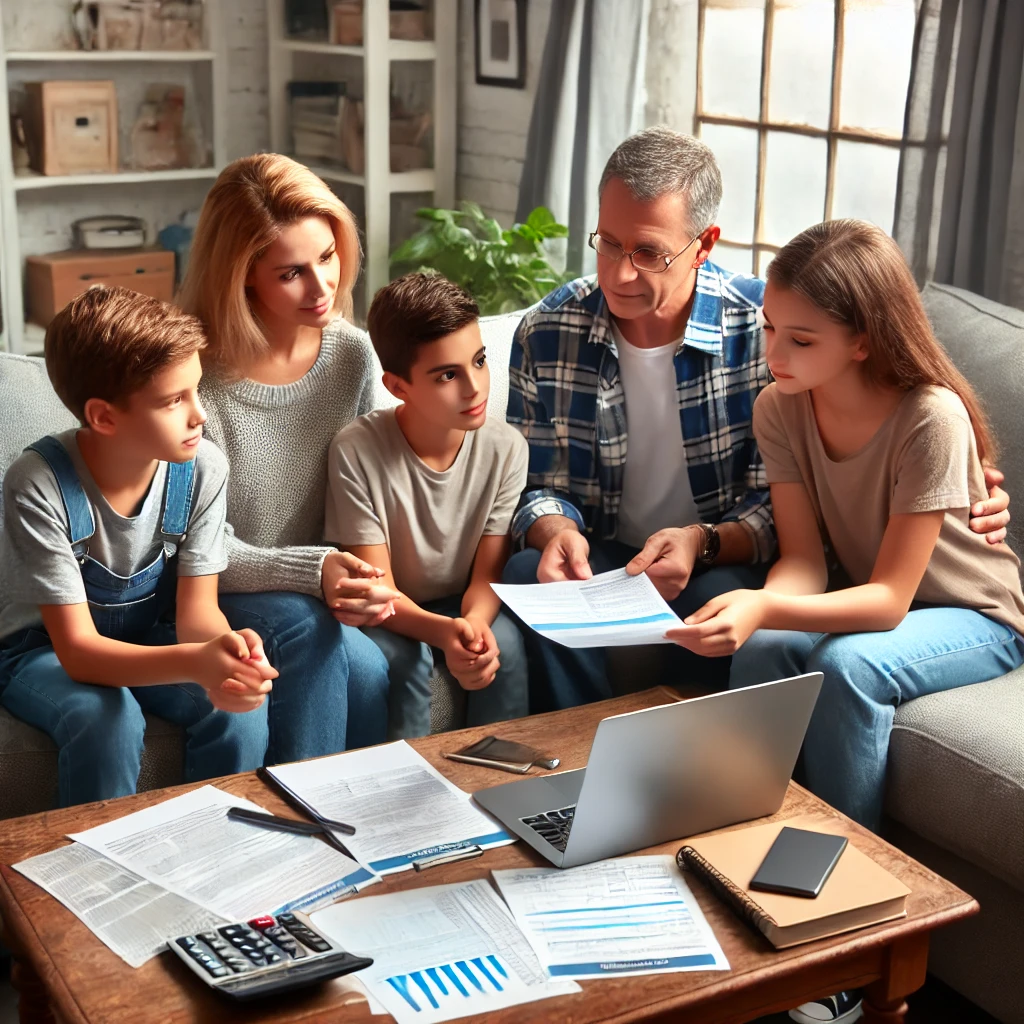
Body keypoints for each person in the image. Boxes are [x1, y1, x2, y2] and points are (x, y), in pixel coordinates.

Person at [503, 126, 1012, 712]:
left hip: (724, 556)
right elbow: (535, 482)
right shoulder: (548, 331)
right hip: (610, 557)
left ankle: (691, 768)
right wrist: (556, 532)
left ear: (705, 243)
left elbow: (808, 485)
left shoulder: (766, 328)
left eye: (647, 253)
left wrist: (705, 543)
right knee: (525, 572)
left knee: (726, 602)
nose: (618, 273)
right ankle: (580, 748)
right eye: (608, 243)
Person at [667, 219, 1024, 834]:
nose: (774, 356)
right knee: (765, 642)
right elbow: (804, 563)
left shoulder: (929, 417)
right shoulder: (778, 407)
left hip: (977, 616)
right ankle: (740, 835)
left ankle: (849, 866)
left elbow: (888, 602)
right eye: (770, 329)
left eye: (801, 341)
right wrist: (752, 610)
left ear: (863, 340)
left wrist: (760, 605)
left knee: (847, 665)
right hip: (880, 603)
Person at [0, 288, 277, 807]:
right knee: (107, 717)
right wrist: (197, 664)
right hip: (43, 652)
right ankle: (97, 876)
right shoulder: (37, 483)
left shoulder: (202, 468)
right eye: (174, 400)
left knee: (237, 707)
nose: (200, 416)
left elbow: (198, 616)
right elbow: (78, 653)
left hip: (147, 635)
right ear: (104, 417)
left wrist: (228, 658)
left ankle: (222, 858)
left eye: (195, 390)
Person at [178, 153, 396, 755]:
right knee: (324, 642)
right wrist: (314, 570)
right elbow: (199, 540)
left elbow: (359, 500)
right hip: (214, 590)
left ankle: (356, 827)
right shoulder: (195, 376)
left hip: (314, 590)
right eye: (291, 272)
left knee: (375, 671)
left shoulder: (351, 356)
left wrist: (359, 574)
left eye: (327, 257)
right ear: (242, 274)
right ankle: (307, 828)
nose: (322, 286)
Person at [326, 273, 530, 738]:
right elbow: (377, 591)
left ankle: (499, 783)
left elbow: (488, 574)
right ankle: (406, 792)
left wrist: (473, 628)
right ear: (398, 386)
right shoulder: (357, 451)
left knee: (506, 646)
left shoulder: (506, 449)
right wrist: (442, 633)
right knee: (405, 659)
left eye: (479, 361)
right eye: (447, 376)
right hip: (385, 606)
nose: (475, 388)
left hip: (461, 598)